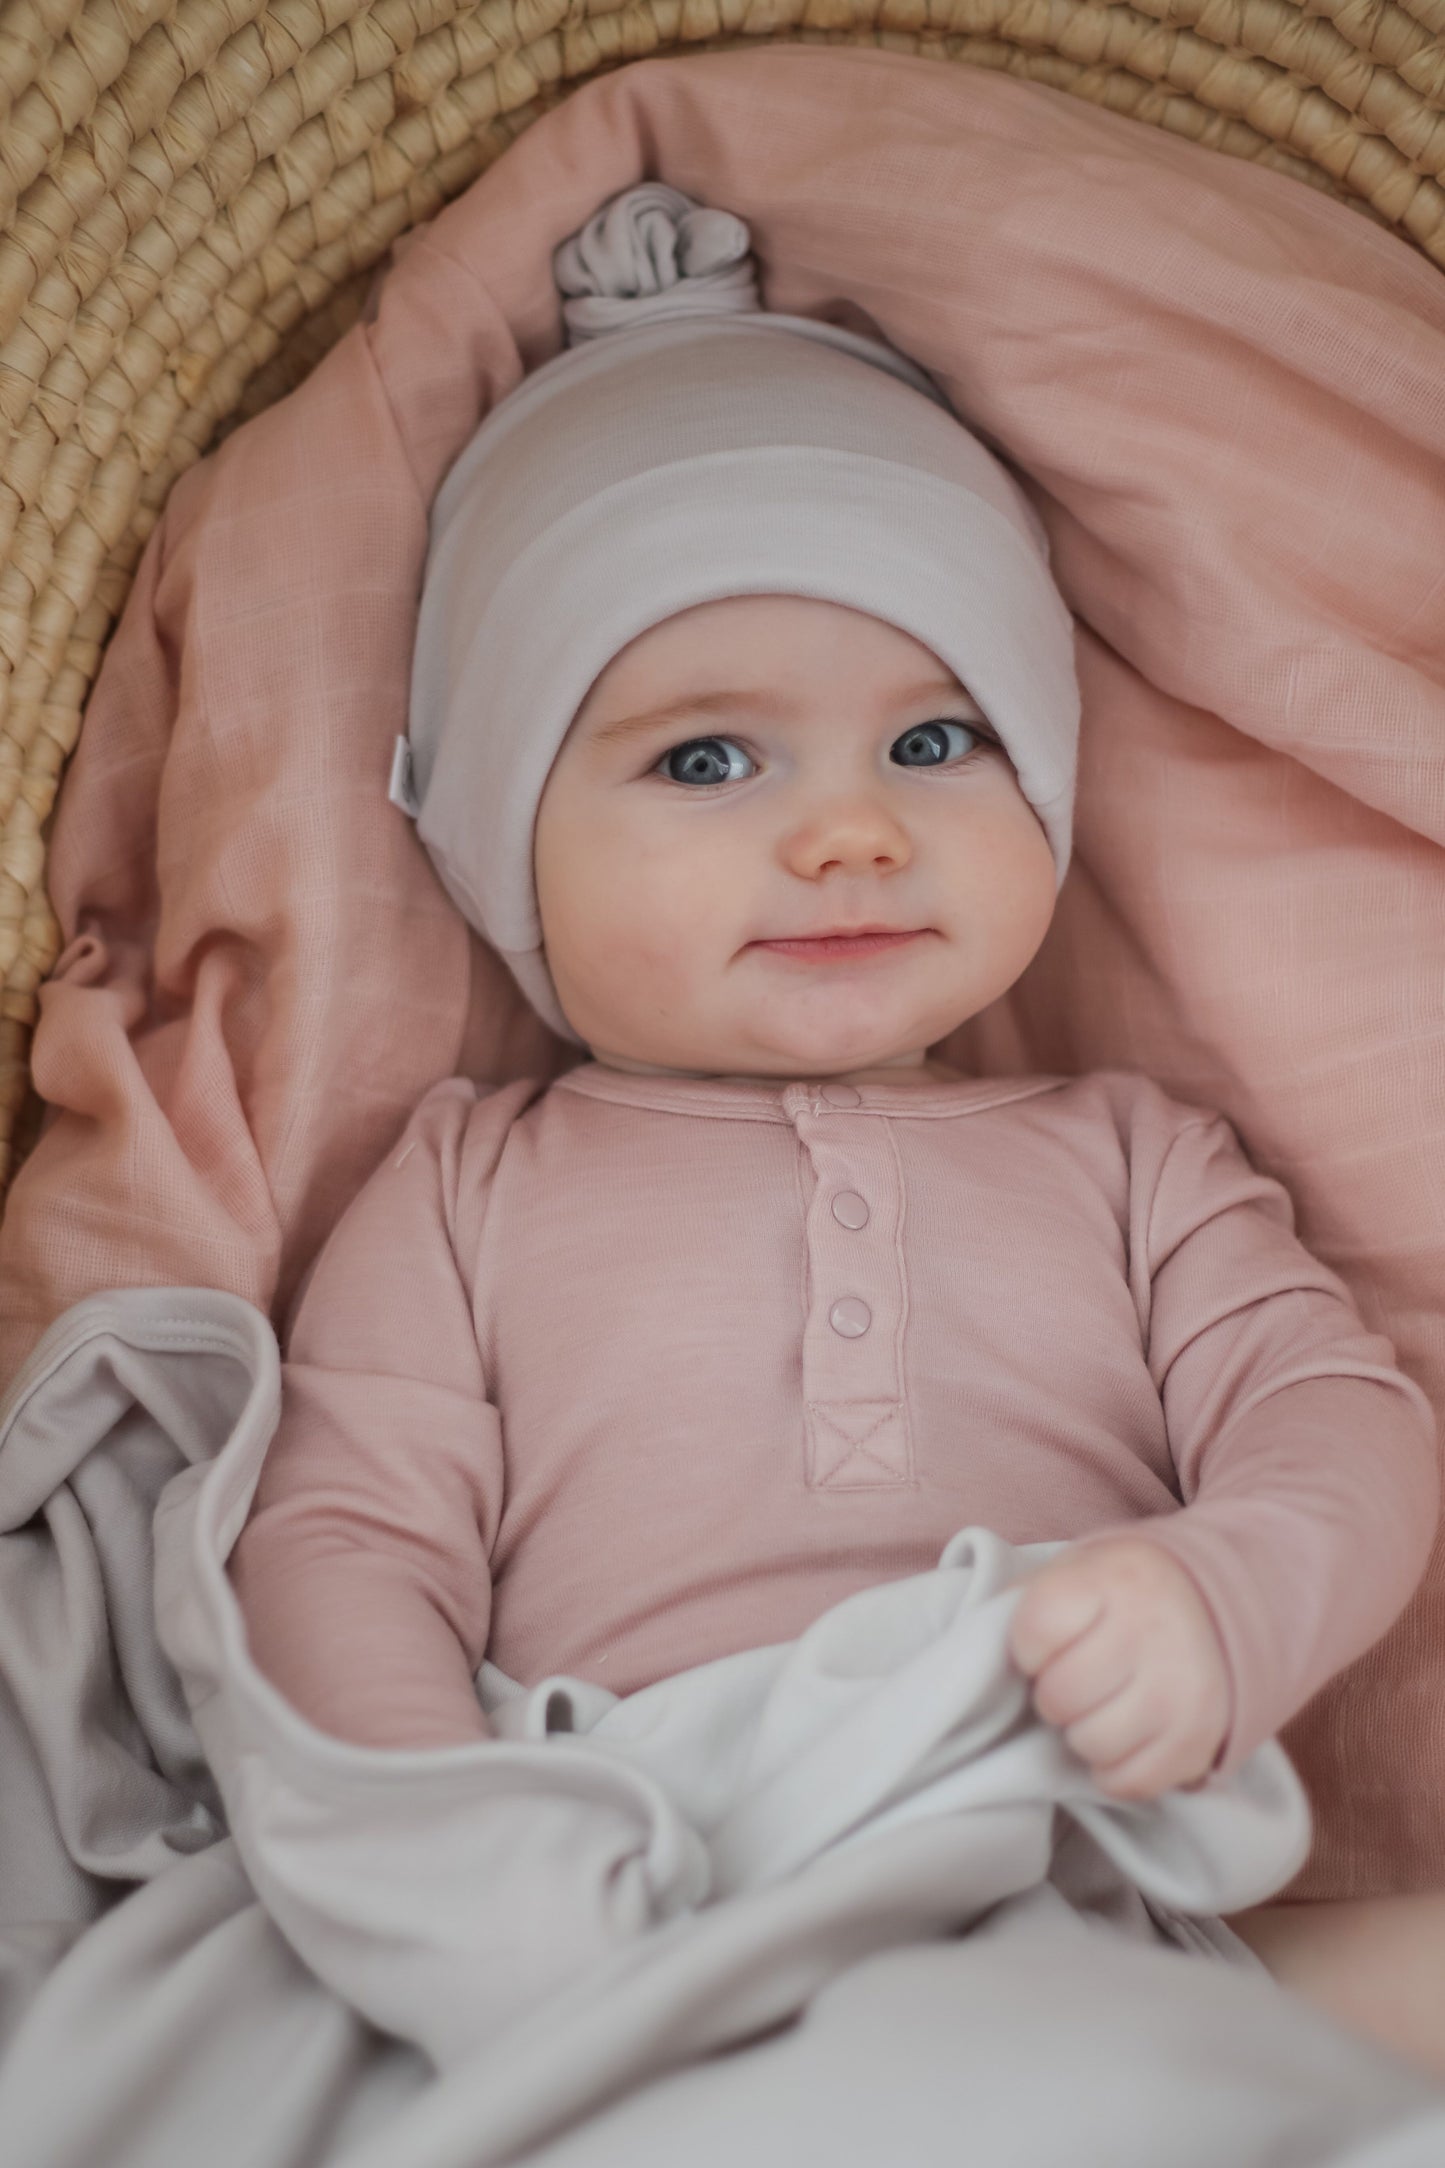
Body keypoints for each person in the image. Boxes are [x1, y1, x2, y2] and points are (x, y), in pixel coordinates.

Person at [227, 184, 1442, 2065]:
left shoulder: (1135, 1161)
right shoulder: (466, 1186)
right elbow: (344, 1551)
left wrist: (1224, 1602)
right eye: (708, 759)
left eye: (936, 740)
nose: (853, 831)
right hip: (640, 1866)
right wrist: (472, 1868)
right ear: (493, 841)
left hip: (1068, 1872)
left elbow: (1336, 1422)